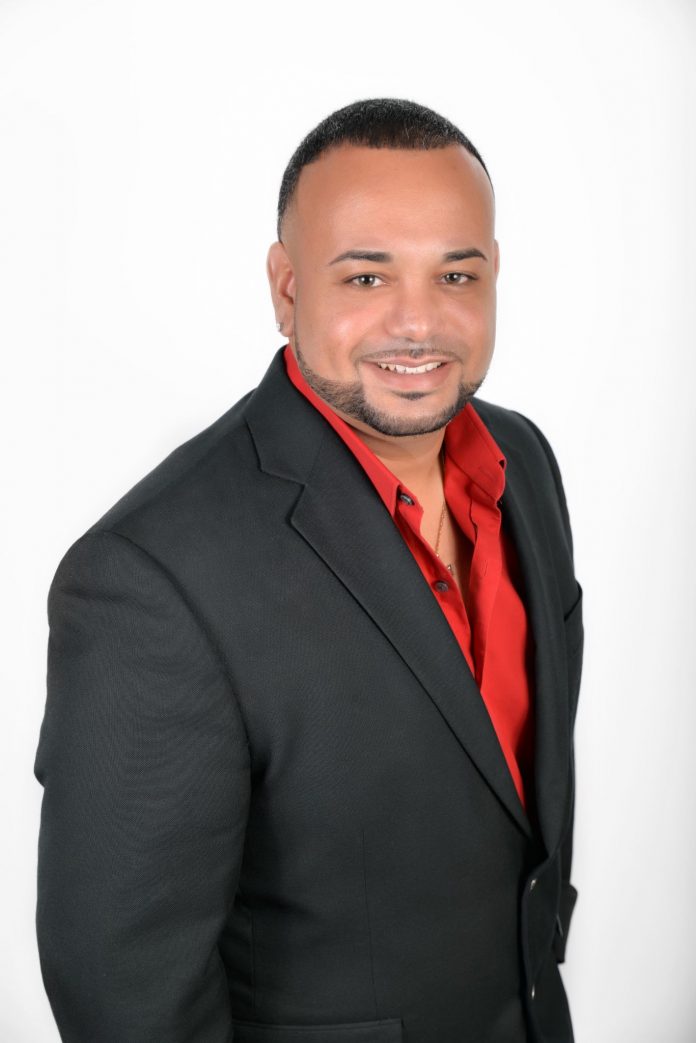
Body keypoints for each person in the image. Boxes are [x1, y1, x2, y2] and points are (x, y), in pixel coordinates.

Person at [34, 98, 584, 1043]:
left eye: (456, 274)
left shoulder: (523, 462)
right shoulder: (146, 581)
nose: (419, 322)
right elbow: (124, 996)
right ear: (287, 289)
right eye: (367, 275)